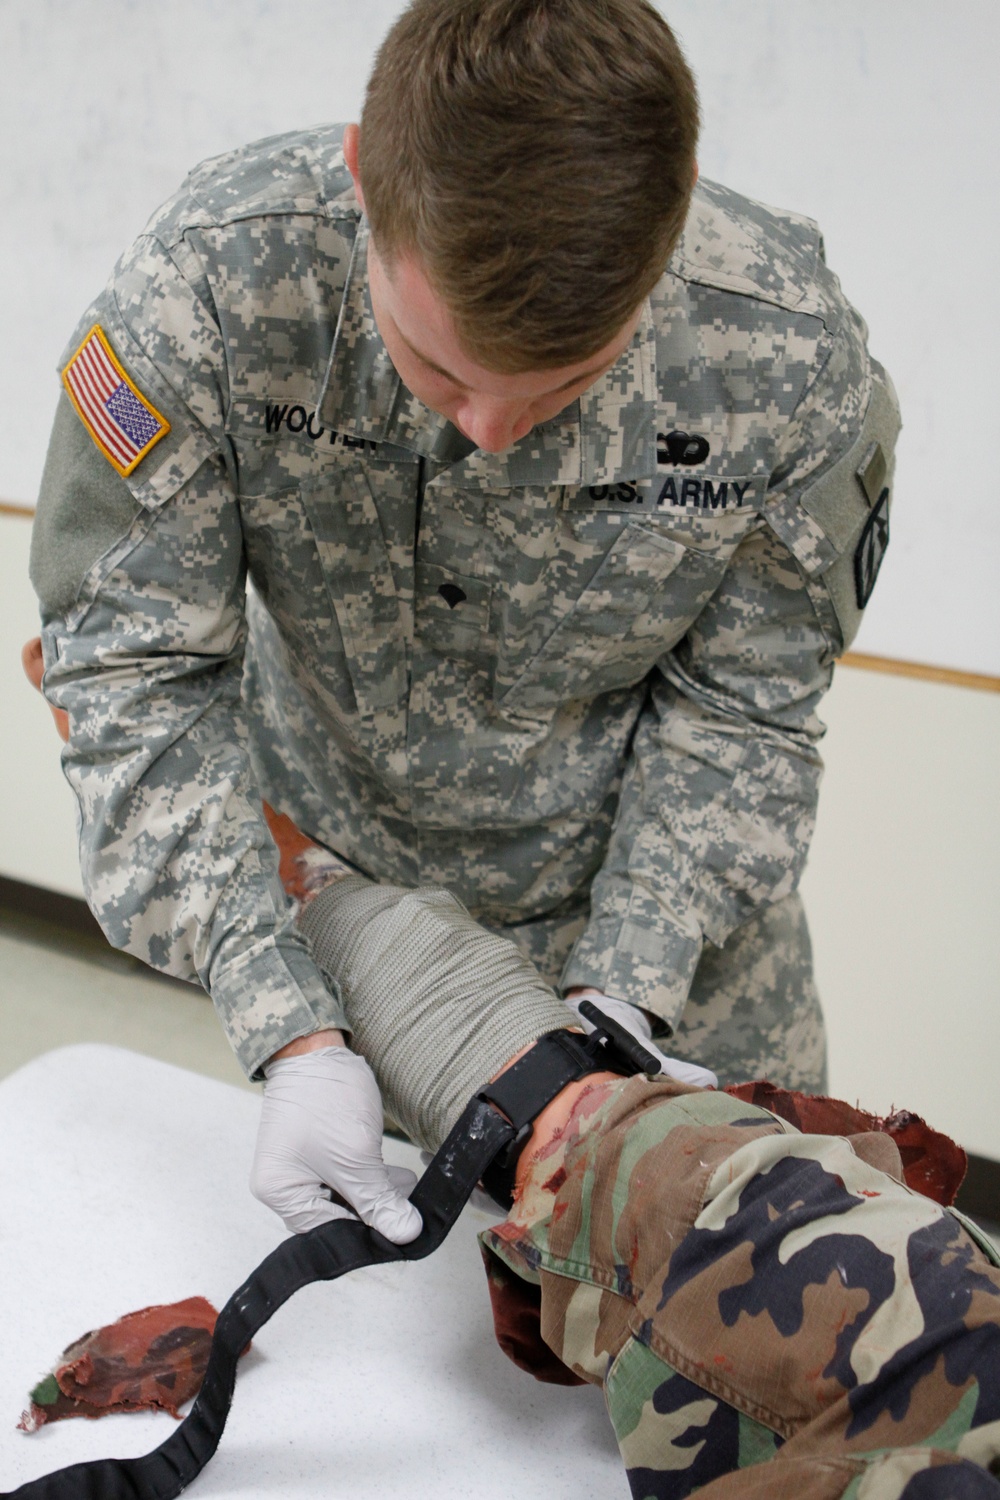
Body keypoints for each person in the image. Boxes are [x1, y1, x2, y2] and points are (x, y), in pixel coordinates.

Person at [27, 0, 900, 1242]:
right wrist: (291, 1022)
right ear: (360, 177)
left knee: (755, 1330)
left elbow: (745, 708)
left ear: (674, 217)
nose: (492, 433)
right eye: (438, 372)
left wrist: (633, 987)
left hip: (674, 947)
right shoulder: (214, 288)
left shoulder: (788, 356)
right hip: (358, 941)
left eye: (566, 384)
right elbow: (131, 672)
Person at [265, 827, 1000, 1500]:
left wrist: (622, 989)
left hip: (661, 969)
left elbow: (738, 723)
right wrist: (278, 1000)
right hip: (392, 885)